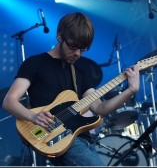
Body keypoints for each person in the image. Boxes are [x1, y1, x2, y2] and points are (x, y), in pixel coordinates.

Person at [2, 12, 140, 166]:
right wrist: (32, 116)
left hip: (83, 139)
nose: (77, 53)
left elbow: (100, 109)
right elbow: (9, 101)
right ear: (60, 36)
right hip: (56, 138)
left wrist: (131, 90)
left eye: (83, 49)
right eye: (73, 46)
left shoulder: (80, 71)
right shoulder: (34, 63)